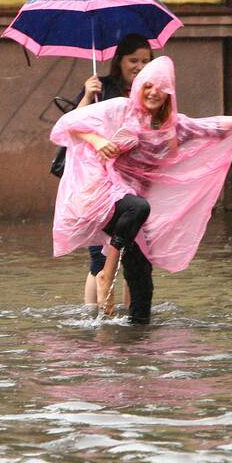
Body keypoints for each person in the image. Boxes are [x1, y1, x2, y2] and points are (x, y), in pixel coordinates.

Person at [50, 55, 232, 322]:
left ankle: (135, 340)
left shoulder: (174, 127)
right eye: (148, 86)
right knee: (138, 208)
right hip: (102, 194)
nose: (153, 92)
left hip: (133, 205)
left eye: (160, 88)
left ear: (169, 93)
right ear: (139, 87)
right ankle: (106, 275)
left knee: (142, 284)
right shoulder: (120, 109)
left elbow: (214, 125)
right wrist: (97, 139)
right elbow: (67, 124)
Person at [66, 34, 153, 309]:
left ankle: (130, 316)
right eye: (133, 60)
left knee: (136, 254)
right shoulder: (100, 88)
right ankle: (93, 316)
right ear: (119, 61)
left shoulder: (150, 91)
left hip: (135, 183)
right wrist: (87, 94)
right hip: (100, 183)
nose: (139, 66)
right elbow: (71, 125)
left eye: (145, 61)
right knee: (99, 257)